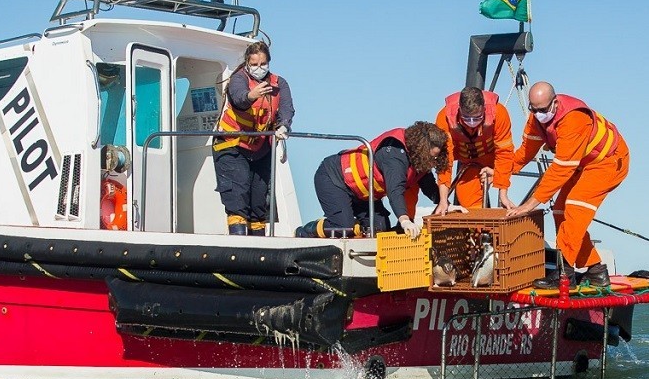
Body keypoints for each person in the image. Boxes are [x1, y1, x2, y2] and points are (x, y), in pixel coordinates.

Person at [505, 81, 630, 287]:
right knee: (560, 211)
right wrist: (500, 170)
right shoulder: (537, 118)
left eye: (542, 110)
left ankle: (565, 273)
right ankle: (596, 270)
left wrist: (528, 206)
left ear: (554, 103)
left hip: (608, 163)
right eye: (533, 109)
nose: (537, 114)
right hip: (582, 164)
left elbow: (561, 170)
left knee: (574, 208)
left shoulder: (574, 120)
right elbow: (525, 153)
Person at [296, 121, 449, 239]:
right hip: (334, 179)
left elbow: (428, 185)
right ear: (422, 148)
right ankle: (306, 230)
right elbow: (395, 191)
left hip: (363, 195)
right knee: (343, 227)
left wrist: (446, 203)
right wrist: (405, 220)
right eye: (432, 156)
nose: (433, 159)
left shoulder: (419, 160)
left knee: (380, 228)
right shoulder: (394, 155)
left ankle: (358, 233)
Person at [212, 41, 295, 236]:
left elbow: (286, 108)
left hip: (260, 149)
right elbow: (238, 98)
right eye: (255, 64)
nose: (259, 68)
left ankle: (259, 245)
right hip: (232, 145)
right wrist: (252, 95)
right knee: (238, 195)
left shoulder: (279, 83)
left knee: (259, 201)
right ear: (248, 64)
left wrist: (284, 125)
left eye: (263, 63)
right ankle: (240, 244)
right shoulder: (238, 79)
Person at [433, 86, 515, 213]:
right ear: (459, 109)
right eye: (467, 118)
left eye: (477, 118)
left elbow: (504, 153)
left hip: (492, 160)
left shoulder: (499, 113)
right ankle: (479, 230)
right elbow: (444, 160)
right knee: (468, 201)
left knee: (506, 166)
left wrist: (503, 194)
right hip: (466, 163)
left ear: (484, 108)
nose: (472, 122)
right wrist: (443, 201)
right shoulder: (444, 118)